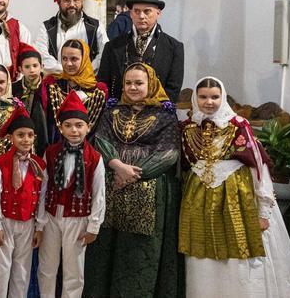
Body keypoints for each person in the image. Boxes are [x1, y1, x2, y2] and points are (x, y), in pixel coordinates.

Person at [178, 77, 290, 298]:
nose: (209, 102)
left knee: (237, 256)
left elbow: (259, 167)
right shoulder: (188, 127)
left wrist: (263, 210)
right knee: (201, 254)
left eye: (215, 97)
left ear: (223, 97)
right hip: (198, 199)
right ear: (195, 99)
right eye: (204, 97)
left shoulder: (238, 125)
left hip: (236, 196)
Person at [84, 62, 182, 298]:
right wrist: (117, 166)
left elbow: (168, 153)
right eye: (128, 83)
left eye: (139, 83)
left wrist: (132, 175)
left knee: (138, 252)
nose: (133, 87)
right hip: (111, 185)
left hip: (148, 191)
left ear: (151, 84)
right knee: (105, 246)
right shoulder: (112, 111)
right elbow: (101, 141)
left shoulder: (164, 116)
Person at [36, 93, 105, 298]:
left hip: (78, 217)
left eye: (78, 125)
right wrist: (39, 223)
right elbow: (42, 188)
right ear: (61, 128)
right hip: (50, 216)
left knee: (74, 271)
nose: (74, 130)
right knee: (46, 267)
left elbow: (98, 193)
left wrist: (93, 225)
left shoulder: (95, 157)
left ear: (88, 127)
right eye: (68, 125)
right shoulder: (50, 152)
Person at [0, 106, 45, 298]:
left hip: (27, 223)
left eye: (29, 135)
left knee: (22, 271)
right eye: (20, 135)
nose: (25, 139)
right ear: (11, 138)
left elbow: (43, 196)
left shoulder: (39, 165)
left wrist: (40, 227)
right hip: (5, 222)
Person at [97, 0, 185, 102]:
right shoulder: (113, 46)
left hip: (158, 113)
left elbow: (173, 89)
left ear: (158, 13)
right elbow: (103, 83)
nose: (141, 16)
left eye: (147, 11)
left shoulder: (174, 47)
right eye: (136, 11)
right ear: (131, 14)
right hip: (118, 112)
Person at [33, 39, 108, 148]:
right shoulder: (50, 86)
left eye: (74, 59)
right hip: (54, 150)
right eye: (64, 59)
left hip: (88, 151)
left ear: (84, 59)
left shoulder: (98, 92)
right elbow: (40, 125)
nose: (68, 63)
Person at [32, 0, 106, 76]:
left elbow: (104, 52)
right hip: (56, 82)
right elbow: (41, 54)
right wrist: (65, 72)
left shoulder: (95, 26)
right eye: (67, 1)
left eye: (76, 0)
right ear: (59, 2)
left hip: (88, 81)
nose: (72, 5)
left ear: (82, 2)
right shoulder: (47, 27)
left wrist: (86, 70)